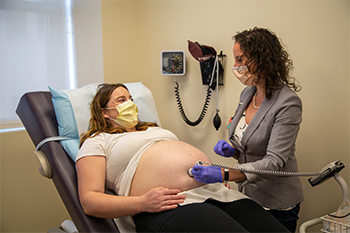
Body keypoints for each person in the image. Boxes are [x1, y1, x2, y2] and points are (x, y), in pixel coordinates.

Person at [76, 83, 290, 233]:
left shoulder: (153, 129)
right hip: (171, 205)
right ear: (104, 112)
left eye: (131, 99)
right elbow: (90, 201)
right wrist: (142, 203)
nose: (129, 103)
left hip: (216, 193)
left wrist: (219, 175)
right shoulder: (97, 140)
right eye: (121, 100)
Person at [192, 27, 303, 232]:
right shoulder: (247, 94)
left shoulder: (288, 103)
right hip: (247, 196)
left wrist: (223, 174)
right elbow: (248, 145)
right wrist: (233, 151)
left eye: (240, 60)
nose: (235, 67)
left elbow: (274, 163)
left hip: (277, 204)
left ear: (262, 59)